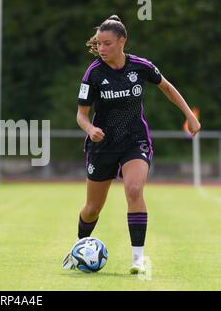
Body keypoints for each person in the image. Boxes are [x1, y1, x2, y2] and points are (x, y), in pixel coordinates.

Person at [62, 15, 201, 274]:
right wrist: (91, 128)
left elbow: (168, 88)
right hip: (102, 145)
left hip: (134, 140)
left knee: (135, 190)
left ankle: (137, 258)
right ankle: (80, 247)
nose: (102, 49)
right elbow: (81, 115)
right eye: (99, 44)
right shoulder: (93, 73)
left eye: (107, 44)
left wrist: (189, 116)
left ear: (122, 42)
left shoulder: (140, 67)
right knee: (92, 208)